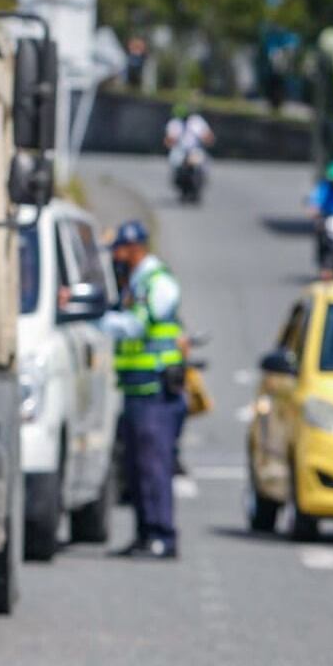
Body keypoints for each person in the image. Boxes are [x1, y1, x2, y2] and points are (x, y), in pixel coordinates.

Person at [101, 220, 186, 559]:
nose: (116, 258)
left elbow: (137, 326)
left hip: (156, 393)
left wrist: (97, 319)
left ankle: (162, 535)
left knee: (154, 466)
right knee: (135, 468)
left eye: (120, 251)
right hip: (136, 390)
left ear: (135, 249)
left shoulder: (158, 283)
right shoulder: (136, 283)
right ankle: (144, 533)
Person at [164, 103, 215, 172]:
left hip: (195, 149)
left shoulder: (196, 121)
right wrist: (172, 141)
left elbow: (209, 138)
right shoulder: (174, 123)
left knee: (200, 159)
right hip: (180, 150)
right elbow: (168, 142)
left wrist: (205, 139)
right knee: (175, 158)